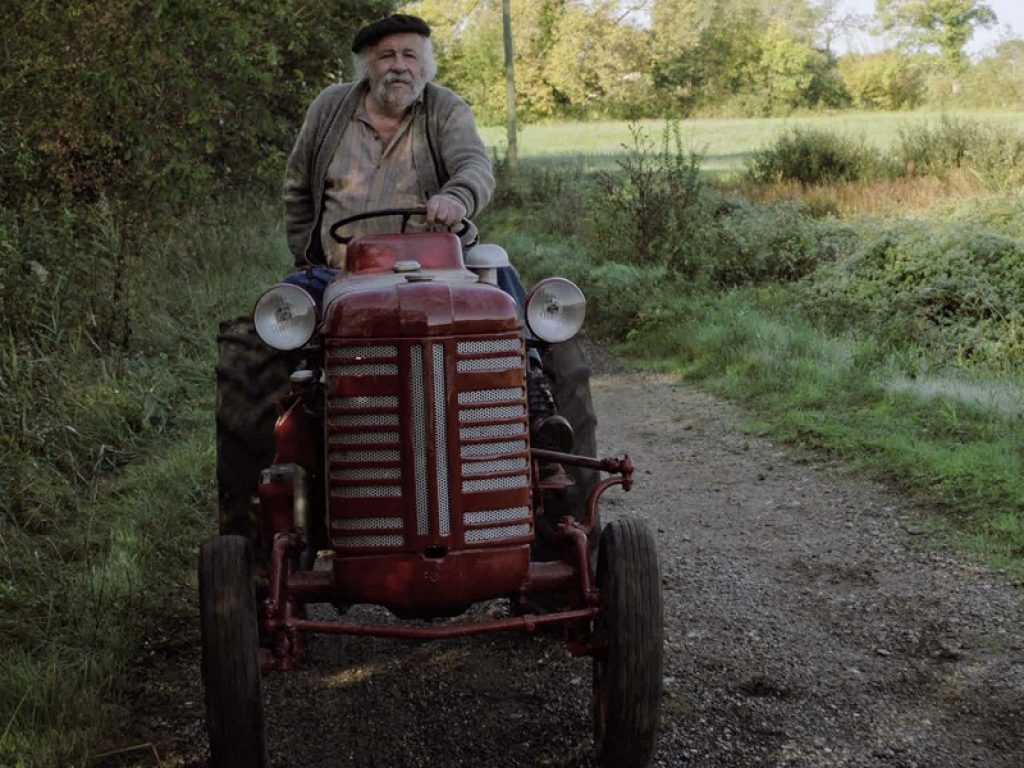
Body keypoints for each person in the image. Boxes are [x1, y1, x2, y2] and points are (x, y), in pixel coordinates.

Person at [281, 13, 570, 452]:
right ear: (367, 66)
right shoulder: (330, 108)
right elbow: (297, 186)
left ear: (425, 64)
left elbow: (474, 166)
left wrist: (457, 197)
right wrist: (308, 254)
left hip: (438, 270)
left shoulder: (444, 108)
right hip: (342, 273)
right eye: (387, 56)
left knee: (501, 280)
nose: (399, 66)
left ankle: (533, 395)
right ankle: (296, 431)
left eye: (410, 55)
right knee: (282, 314)